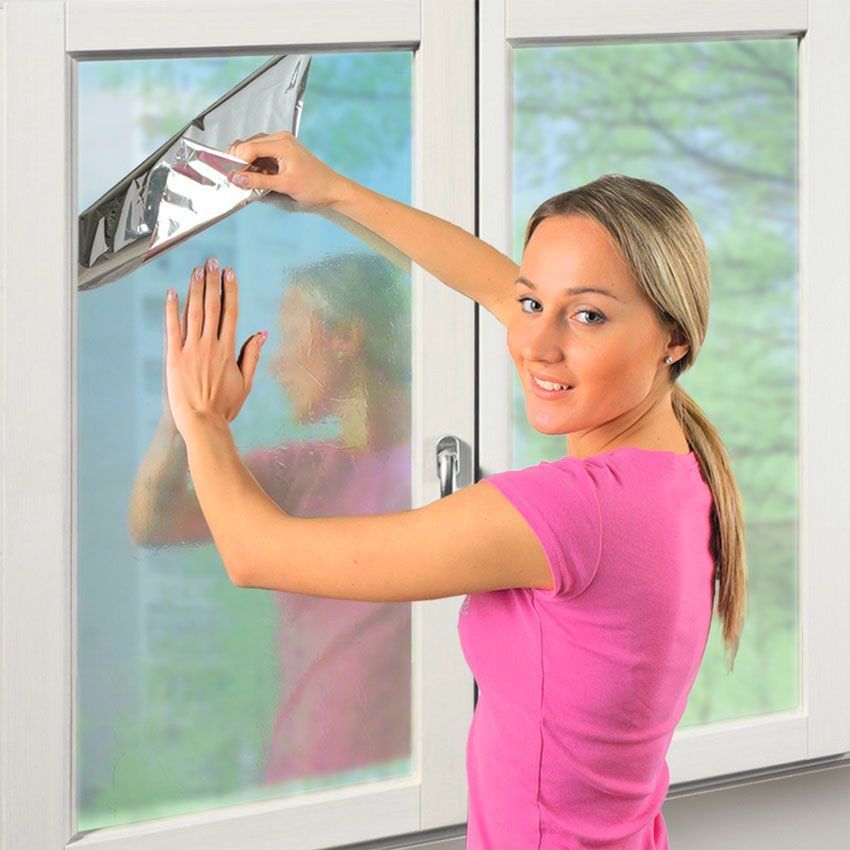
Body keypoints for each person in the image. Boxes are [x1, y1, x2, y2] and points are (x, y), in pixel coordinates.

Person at [158, 129, 750, 848]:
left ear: (673, 338)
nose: (536, 345)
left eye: (587, 316)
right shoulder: (676, 469)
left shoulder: (575, 511)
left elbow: (256, 553)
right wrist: (333, 190)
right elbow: (491, 282)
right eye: (533, 305)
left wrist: (200, 419)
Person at [129, 250, 415, 787]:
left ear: (346, 336)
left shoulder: (432, 469)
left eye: (290, 336)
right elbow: (155, 522)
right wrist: (179, 416)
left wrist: (203, 419)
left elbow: (250, 556)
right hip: (297, 780)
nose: (276, 366)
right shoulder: (302, 470)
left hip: (395, 791)